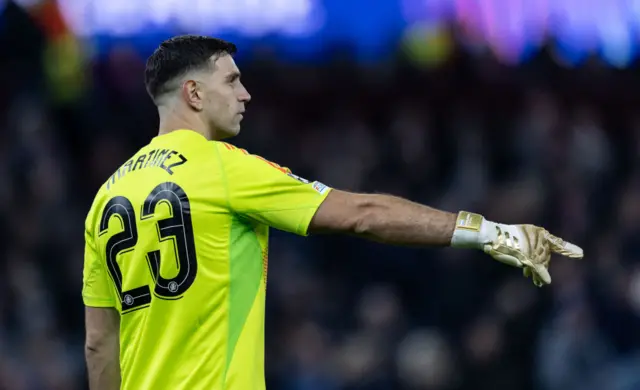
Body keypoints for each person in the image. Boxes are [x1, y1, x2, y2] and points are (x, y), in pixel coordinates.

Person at [82, 35, 583, 390]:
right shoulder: (221, 168)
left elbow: (99, 346)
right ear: (193, 93)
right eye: (231, 80)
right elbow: (362, 212)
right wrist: (490, 233)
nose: (245, 94)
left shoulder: (105, 198)